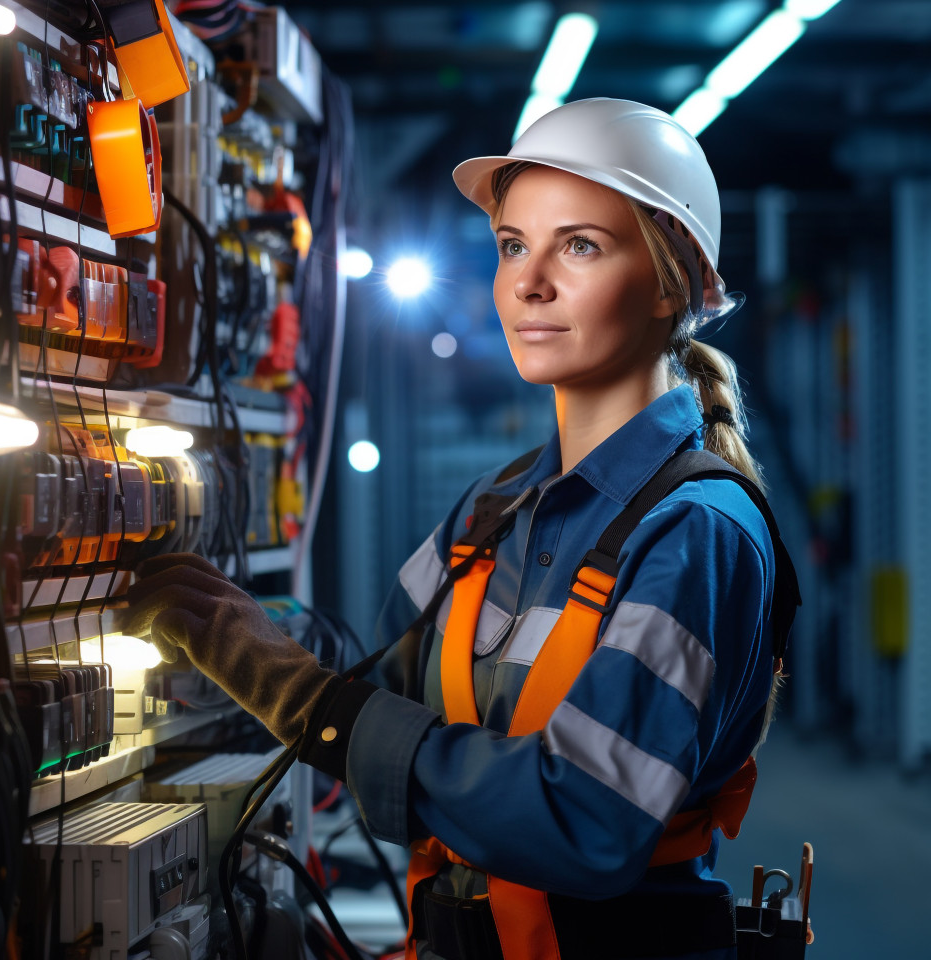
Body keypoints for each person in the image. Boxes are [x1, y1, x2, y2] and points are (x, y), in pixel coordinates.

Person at [122, 99, 795, 960]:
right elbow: (377, 673)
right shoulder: (495, 508)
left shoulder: (698, 530)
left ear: (674, 282)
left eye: (579, 245)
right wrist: (241, 635)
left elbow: (584, 817)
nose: (528, 282)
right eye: (514, 245)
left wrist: (299, 696)